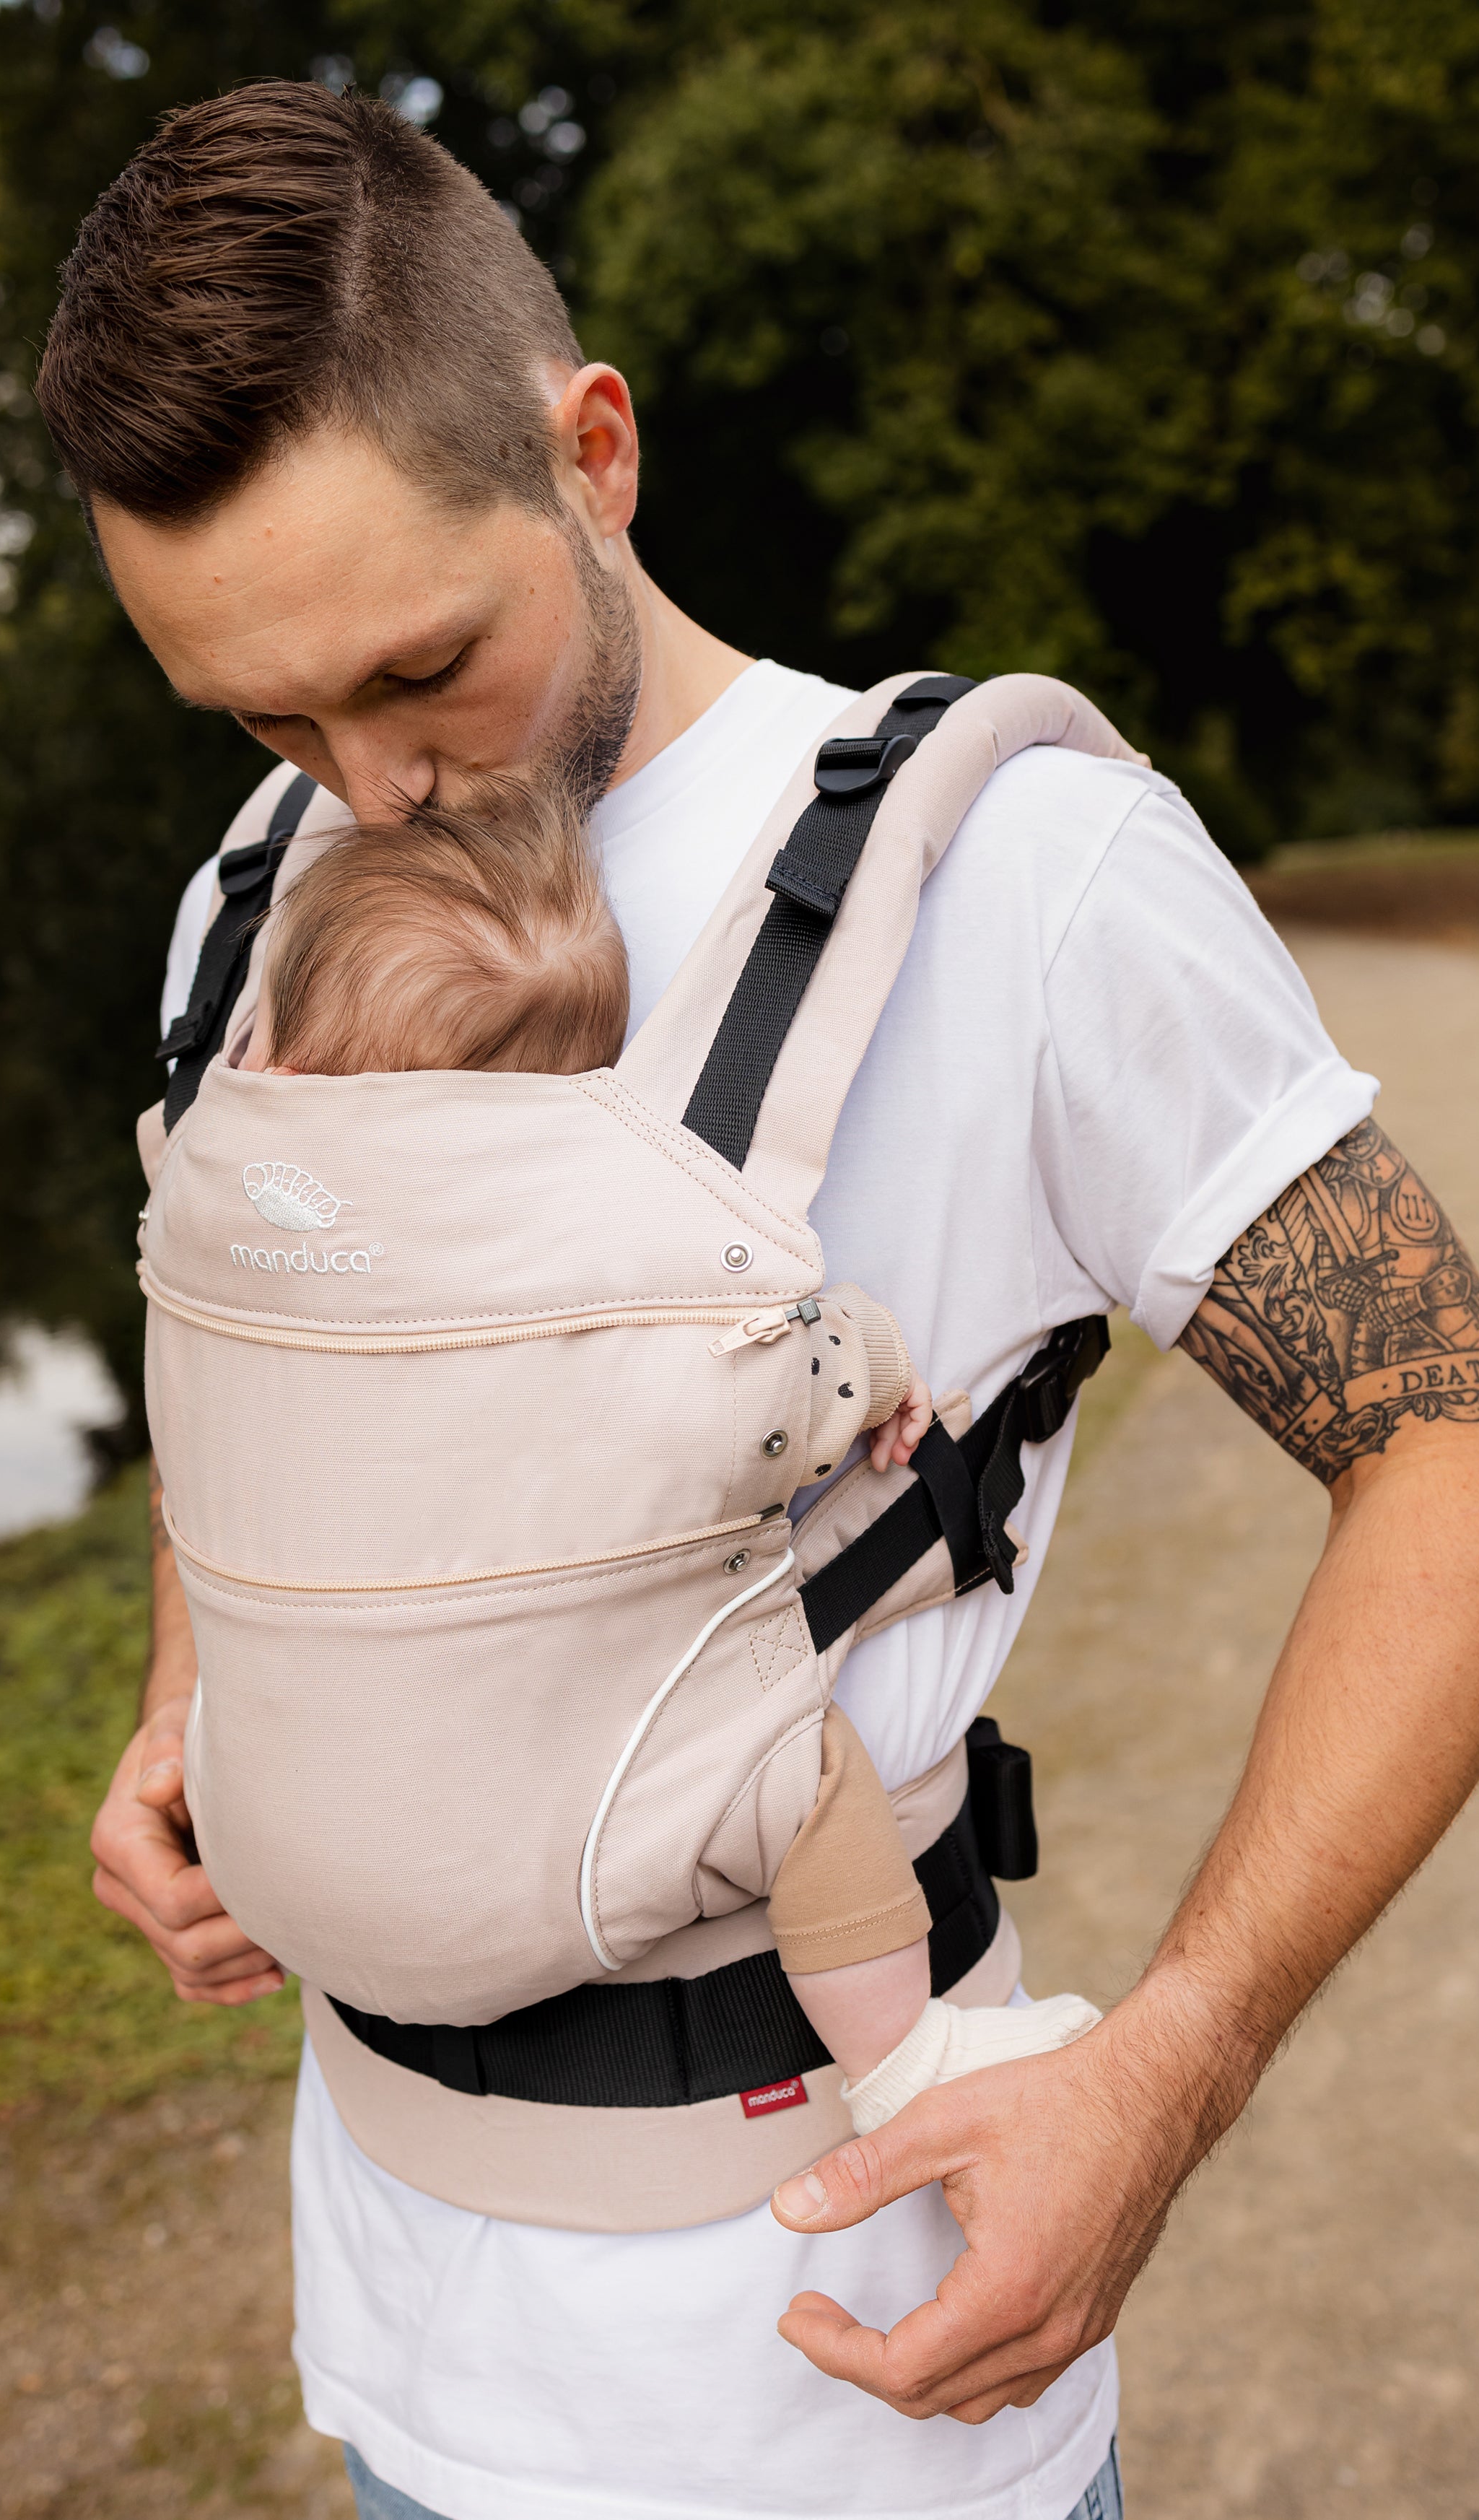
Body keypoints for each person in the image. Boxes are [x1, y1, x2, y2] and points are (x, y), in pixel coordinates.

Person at [49, 81, 1479, 2520]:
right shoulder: (247, 906)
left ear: (590, 450)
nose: (363, 788)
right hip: (404, 2342)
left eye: (420, 667)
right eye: (266, 718)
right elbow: (279, 1366)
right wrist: (194, 1704)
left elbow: (1447, 1443)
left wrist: (1175, 2059)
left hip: (843, 2398)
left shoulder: (1021, 877)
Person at [237, 774, 1097, 2119]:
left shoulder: (210, 1243)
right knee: (803, 1774)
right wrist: (870, 1359)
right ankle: (900, 2057)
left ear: (278, 1060)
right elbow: (754, 1391)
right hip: (570, 1858)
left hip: (274, 1857)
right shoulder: (604, 1284)